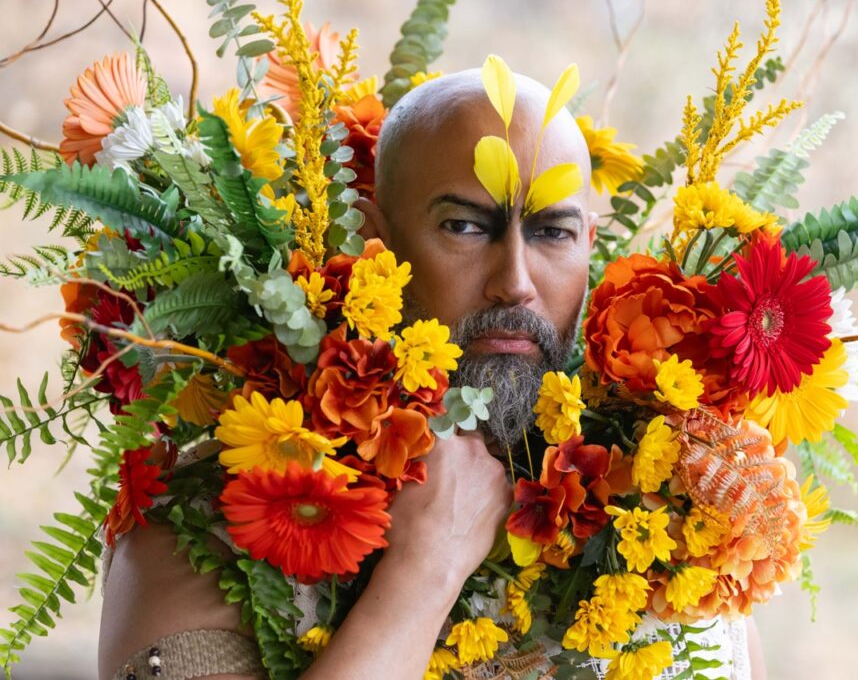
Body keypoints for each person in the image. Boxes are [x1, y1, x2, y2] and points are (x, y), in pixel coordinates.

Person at [97, 68, 767, 680]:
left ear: (590, 246)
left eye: (552, 233)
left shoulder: (678, 513)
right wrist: (427, 567)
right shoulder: (210, 515)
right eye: (466, 226)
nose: (516, 283)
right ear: (373, 236)